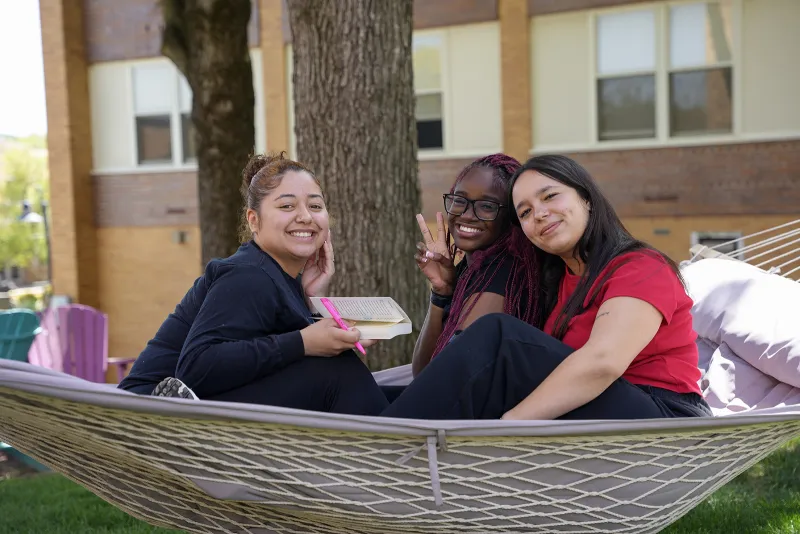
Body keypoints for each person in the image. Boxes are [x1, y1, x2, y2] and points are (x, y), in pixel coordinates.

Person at [381, 154, 712, 420]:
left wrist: (509, 425)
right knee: (378, 393)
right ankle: (364, 433)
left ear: (587, 199)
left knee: (498, 334)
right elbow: (434, 375)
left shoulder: (640, 266)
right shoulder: (560, 283)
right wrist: (443, 294)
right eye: (524, 212)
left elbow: (602, 362)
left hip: (663, 418)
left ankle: (384, 453)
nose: (538, 214)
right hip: (598, 408)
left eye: (550, 196)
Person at [121, 152, 389, 416]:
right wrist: (303, 342)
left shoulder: (278, 275)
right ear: (254, 220)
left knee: (368, 382)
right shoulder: (249, 274)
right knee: (339, 371)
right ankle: (400, 450)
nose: (306, 216)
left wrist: (312, 300)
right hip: (151, 413)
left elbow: (268, 358)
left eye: (315, 206)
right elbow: (196, 367)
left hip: (205, 406)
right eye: (287, 206)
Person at [410, 154, 540, 378]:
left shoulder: (502, 274)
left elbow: (449, 379)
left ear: (510, 216)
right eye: (459, 201)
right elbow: (422, 370)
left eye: (487, 206)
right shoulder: (468, 268)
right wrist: (441, 294)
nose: (467, 215)